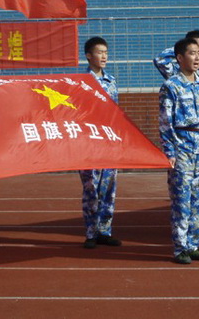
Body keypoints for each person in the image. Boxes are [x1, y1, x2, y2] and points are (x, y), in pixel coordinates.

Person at [153, 30, 199, 238]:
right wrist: (183, 47)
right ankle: (183, 240)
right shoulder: (175, 77)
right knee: (183, 191)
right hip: (184, 141)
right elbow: (159, 60)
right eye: (196, 48)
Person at [159, 37, 199, 264]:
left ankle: (194, 245)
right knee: (182, 199)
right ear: (180, 58)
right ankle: (180, 247)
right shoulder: (171, 86)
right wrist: (170, 152)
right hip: (181, 146)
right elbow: (165, 122)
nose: (197, 57)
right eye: (191, 53)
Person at [79, 37, 122, 248]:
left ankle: (105, 230)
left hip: (109, 141)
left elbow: (116, 112)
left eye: (106, 52)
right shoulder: (81, 82)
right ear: (88, 55)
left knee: (108, 188)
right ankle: (91, 233)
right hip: (89, 142)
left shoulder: (111, 81)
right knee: (91, 189)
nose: (104, 56)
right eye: (99, 52)